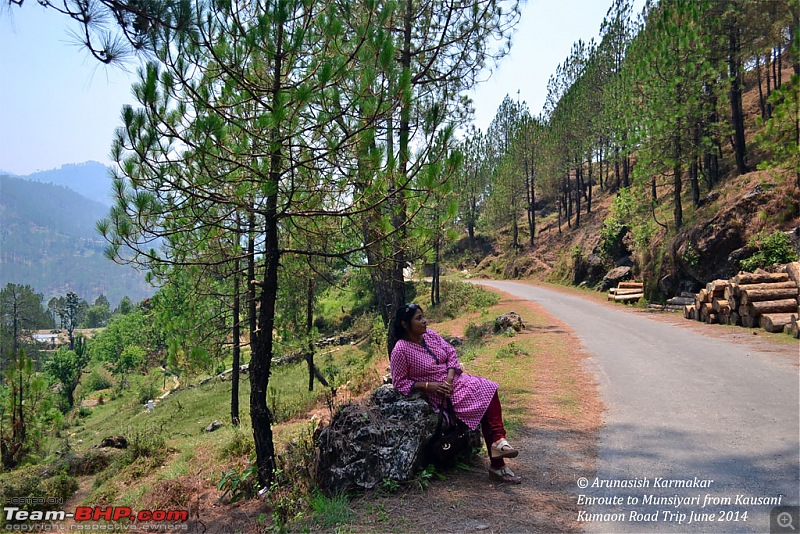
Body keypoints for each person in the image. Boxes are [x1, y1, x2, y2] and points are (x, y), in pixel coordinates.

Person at [389, 303, 522, 484]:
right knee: (484, 402)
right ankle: (498, 461)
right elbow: (399, 382)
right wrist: (430, 386)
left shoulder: (430, 335)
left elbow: (451, 353)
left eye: (423, 316)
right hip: (441, 395)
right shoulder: (401, 349)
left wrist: (449, 379)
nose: (424, 321)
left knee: (489, 390)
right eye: (418, 318)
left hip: (455, 382)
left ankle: (498, 445)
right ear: (405, 324)